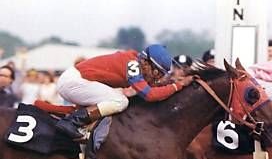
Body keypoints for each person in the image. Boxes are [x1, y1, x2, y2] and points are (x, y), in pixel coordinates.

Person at [55, 44, 193, 139]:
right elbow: (149, 95)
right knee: (120, 101)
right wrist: (178, 86)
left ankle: (79, 122)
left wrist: (174, 83)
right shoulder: (132, 64)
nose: (156, 78)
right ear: (146, 63)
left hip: (75, 81)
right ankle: (72, 122)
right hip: (73, 81)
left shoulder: (134, 61)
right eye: (157, 73)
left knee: (118, 99)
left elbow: (152, 89)